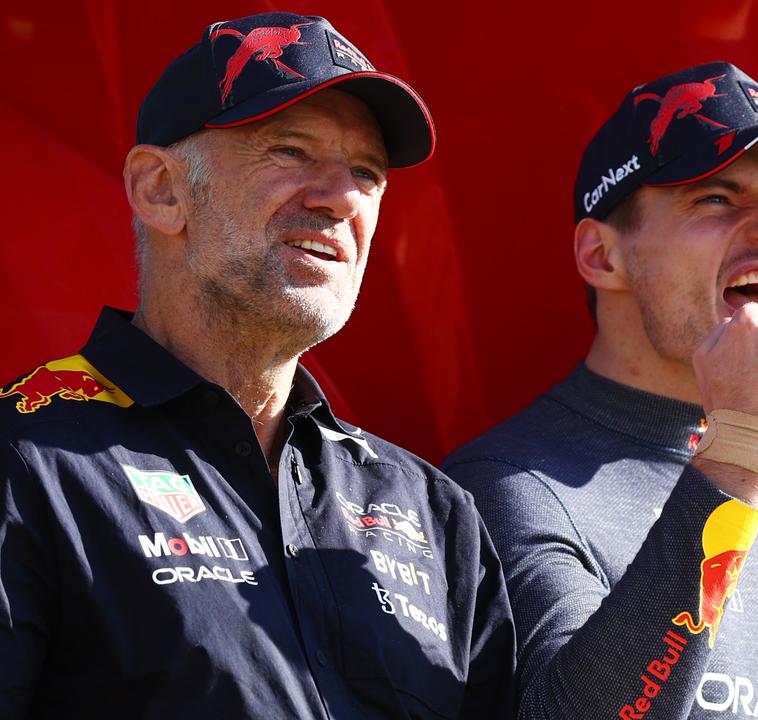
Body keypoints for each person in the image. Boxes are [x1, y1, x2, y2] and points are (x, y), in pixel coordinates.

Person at [0, 12, 515, 718]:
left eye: (367, 172)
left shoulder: (431, 509)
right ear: (161, 190)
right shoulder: (27, 459)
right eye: (291, 151)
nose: (340, 198)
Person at [444, 61, 758, 719]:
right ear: (601, 257)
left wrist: (751, 456)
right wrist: (745, 454)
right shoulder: (505, 486)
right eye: (717, 199)